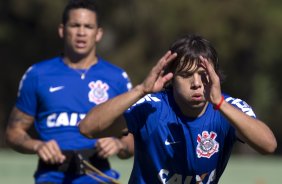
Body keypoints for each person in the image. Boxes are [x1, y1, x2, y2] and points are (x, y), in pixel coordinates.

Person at [79, 34, 277, 183]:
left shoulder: (228, 109)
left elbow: (269, 146)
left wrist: (220, 104)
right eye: (186, 74)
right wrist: (140, 90)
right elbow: (87, 128)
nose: (197, 83)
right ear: (171, 78)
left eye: (203, 74)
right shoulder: (151, 107)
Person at [5, 0, 134, 183]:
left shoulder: (117, 78)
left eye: (88, 26)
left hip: (97, 174)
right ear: (62, 30)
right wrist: (37, 146)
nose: (81, 32)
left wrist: (118, 144)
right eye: (75, 25)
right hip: (51, 175)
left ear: (98, 33)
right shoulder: (37, 74)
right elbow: (13, 132)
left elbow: (133, 138)